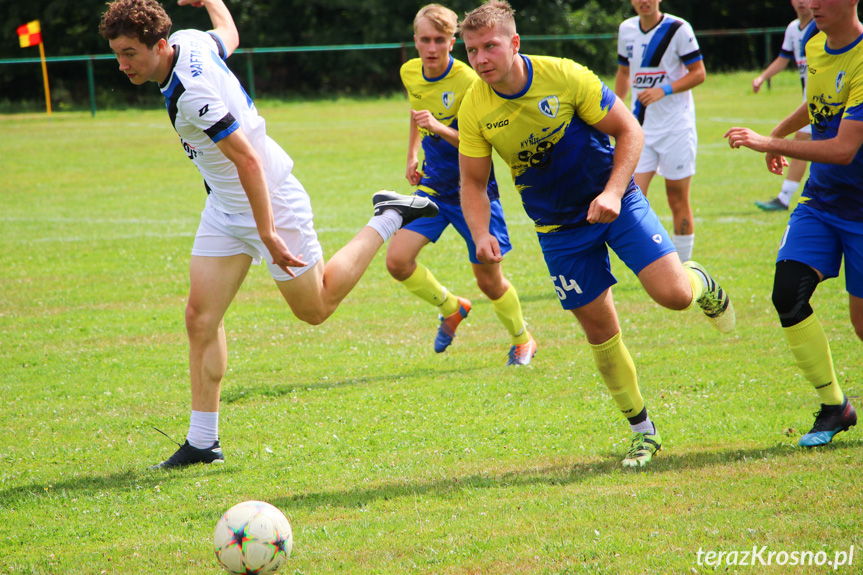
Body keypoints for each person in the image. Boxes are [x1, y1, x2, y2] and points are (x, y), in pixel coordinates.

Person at [99, 0, 438, 469]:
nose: (122, 64)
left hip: (271, 200)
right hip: (225, 207)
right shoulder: (190, 40)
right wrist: (214, 2)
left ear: (159, 45)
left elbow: (248, 161)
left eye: (130, 53)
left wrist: (268, 233)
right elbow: (229, 35)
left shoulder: (192, 94)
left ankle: (389, 215)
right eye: (116, 53)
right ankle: (203, 443)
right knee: (200, 317)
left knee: (315, 308)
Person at [458, 0, 736, 467]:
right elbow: (471, 181)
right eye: (471, 51)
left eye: (490, 46)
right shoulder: (475, 107)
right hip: (558, 229)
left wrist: (611, 192)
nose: (481, 59)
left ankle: (698, 281)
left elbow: (629, 131)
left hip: (617, 203)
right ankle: (642, 431)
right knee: (600, 330)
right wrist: (481, 231)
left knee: (673, 296)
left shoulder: (565, 76)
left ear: (515, 42)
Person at [725, 0, 862, 447]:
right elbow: (816, 103)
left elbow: (844, 148)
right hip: (822, 201)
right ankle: (835, 406)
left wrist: (767, 139)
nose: (813, 4)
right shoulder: (814, 42)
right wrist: (779, 134)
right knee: (787, 293)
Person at [389, 4, 536, 365]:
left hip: (474, 191)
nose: (432, 48)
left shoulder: (470, 81)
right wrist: (411, 155)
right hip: (434, 188)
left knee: (489, 280)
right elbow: (416, 113)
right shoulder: (410, 72)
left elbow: (482, 142)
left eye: (440, 39)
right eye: (425, 40)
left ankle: (523, 339)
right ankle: (452, 308)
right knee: (397, 261)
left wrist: (439, 128)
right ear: (415, 41)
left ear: (452, 41)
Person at [615, 0, 706, 263]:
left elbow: (698, 73)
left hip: (676, 127)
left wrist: (663, 90)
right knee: (632, 200)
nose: (643, 2)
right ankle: (651, 262)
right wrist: (617, 110)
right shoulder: (627, 29)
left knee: (676, 198)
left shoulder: (678, 28)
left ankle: (684, 266)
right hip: (640, 129)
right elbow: (623, 71)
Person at [751, 0, 819, 211]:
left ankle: (786, 197)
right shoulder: (793, 29)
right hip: (809, 100)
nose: (802, 2)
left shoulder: (823, 26)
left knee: (804, 140)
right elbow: (783, 59)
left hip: (821, 100)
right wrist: (762, 78)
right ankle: (789, 197)